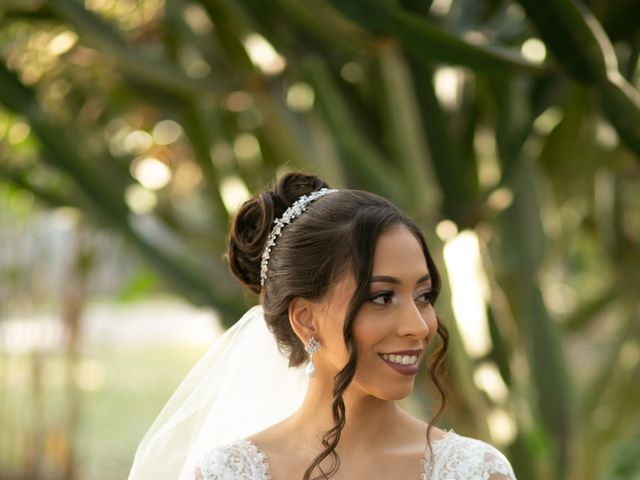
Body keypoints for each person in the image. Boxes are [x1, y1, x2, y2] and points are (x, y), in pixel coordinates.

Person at [129, 172, 517, 480]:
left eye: (424, 296)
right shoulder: (229, 474)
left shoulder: (476, 471)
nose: (418, 327)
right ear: (305, 319)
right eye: (382, 297)